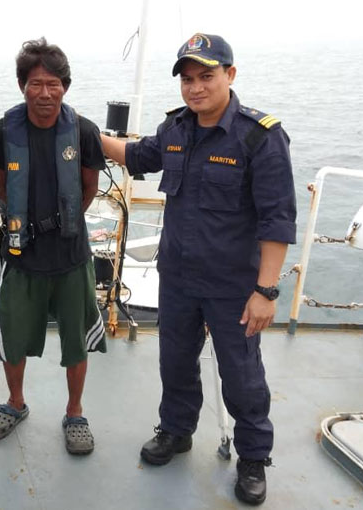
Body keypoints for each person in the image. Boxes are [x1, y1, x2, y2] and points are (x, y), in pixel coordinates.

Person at [100, 33, 296, 505]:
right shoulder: (176, 129)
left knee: (242, 375)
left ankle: (253, 456)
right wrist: (81, 132)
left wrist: (265, 291)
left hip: (234, 286)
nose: (195, 87)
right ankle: (176, 430)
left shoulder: (259, 137)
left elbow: (278, 220)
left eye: (206, 76)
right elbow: (137, 155)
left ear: (230, 75)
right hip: (180, 278)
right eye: (187, 79)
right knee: (176, 362)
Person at [0, 38, 107, 455]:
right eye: (36, 83)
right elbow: (0, 181)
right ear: (22, 86)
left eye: (53, 84)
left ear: (65, 87)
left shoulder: (84, 132)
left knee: (76, 338)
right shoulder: (4, 131)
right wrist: (20, 222)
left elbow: (89, 186)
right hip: (21, 254)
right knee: (15, 335)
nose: (45, 93)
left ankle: (75, 412)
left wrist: (64, 224)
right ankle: (15, 403)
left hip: (71, 255)